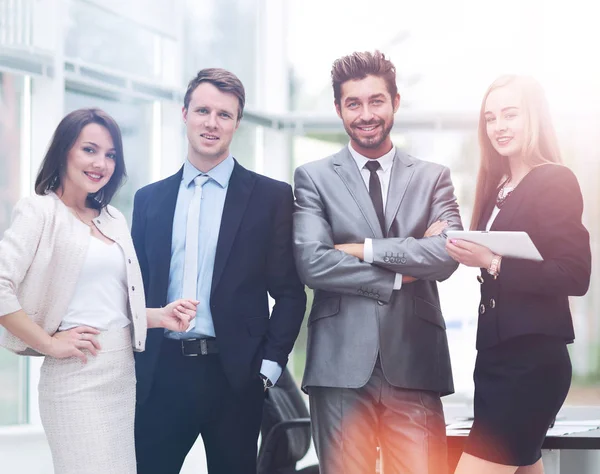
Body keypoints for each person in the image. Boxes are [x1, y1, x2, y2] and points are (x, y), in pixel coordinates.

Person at [0, 108, 198, 474]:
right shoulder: (39, 212)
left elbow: (109, 304)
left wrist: (157, 316)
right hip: (75, 378)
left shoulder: (112, 218)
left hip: (121, 377)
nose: (101, 163)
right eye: (89, 150)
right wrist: (49, 343)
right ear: (64, 152)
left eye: (110, 155)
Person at [293, 50, 463, 474]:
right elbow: (313, 264)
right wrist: (403, 271)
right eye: (353, 103)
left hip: (415, 362)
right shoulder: (313, 177)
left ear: (395, 102)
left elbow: (447, 254)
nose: (366, 114)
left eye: (376, 101)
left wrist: (361, 249)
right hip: (339, 367)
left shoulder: (433, 176)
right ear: (338, 109)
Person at [132, 67, 307, 474]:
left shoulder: (272, 198)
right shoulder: (148, 201)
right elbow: (134, 291)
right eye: (203, 111)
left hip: (235, 378)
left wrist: (267, 371)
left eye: (224, 115)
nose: (212, 123)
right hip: (161, 375)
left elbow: (290, 293)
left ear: (237, 123)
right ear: (184, 114)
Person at [446, 75, 592, 474]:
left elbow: (575, 275)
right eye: (491, 118)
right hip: (495, 358)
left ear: (535, 119)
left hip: (529, 364)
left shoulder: (555, 180)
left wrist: (493, 263)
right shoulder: (498, 186)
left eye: (510, 114)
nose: (499, 126)